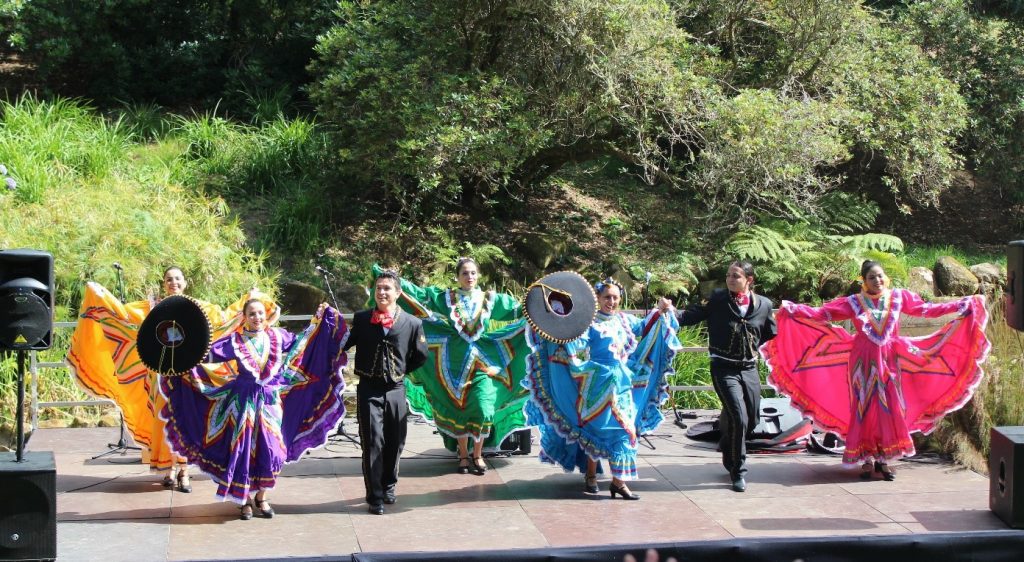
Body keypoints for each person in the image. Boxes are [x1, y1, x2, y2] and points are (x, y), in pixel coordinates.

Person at [761, 260, 990, 480]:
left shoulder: (899, 298)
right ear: (864, 281)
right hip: (862, 362)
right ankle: (866, 458)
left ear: (885, 278)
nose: (877, 280)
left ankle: (884, 459)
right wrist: (793, 310)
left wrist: (961, 304)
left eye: (880, 276)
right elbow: (823, 314)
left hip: (891, 361)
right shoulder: (853, 302)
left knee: (889, 408)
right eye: (872, 277)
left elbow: (926, 310)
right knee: (864, 407)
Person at [66, 266, 260, 492]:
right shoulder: (152, 309)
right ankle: (168, 469)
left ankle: (184, 470)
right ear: (164, 283)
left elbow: (224, 319)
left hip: (189, 375)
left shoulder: (198, 308)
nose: (173, 282)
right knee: (163, 420)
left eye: (178, 278)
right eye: (169, 279)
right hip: (161, 375)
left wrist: (250, 298)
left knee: (185, 419)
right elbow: (124, 317)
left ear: (185, 283)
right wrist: (100, 295)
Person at [160, 298, 349, 519]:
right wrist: (179, 347)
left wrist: (318, 321)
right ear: (245, 317)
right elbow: (206, 355)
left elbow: (303, 343)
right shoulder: (235, 341)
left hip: (270, 402)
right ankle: (245, 500)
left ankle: (262, 496)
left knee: (272, 450)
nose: (257, 318)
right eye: (252, 314)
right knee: (244, 452)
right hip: (242, 403)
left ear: (266, 315)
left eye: (260, 313)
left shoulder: (279, 337)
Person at [525, 278, 680, 499]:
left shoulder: (625, 320)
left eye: (616, 297)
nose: (612, 301)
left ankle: (618, 482)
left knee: (627, 431)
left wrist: (661, 310)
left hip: (622, 384)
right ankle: (591, 476)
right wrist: (556, 335)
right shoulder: (588, 324)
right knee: (596, 431)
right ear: (597, 298)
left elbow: (646, 326)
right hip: (597, 384)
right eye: (607, 297)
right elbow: (574, 344)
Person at [374, 259, 528, 475]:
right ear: (458, 276)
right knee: (459, 408)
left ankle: (478, 454)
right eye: (465, 273)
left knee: (484, 407)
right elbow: (419, 296)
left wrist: (541, 304)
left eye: (473, 273)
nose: (470, 277)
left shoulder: (491, 300)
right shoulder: (446, 298)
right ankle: (464, 455)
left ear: (479, 275)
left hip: (482, 360)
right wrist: (393, 278)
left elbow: (519, 309)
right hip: (452, 361)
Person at [658, 261, 776, 493]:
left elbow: (769, 333)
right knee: (739, 417)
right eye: (728, 275)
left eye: (736, 276)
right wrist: (669, 310)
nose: (730, 279)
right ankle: (737, 470)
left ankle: (726, 440)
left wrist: (750, 348)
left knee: (751, 418)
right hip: (723, 368)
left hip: (749, 368)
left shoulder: (764, 304)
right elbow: (688, 316)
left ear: (749, 280)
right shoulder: (718, 299)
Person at [344, 269, 429, 515]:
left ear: (398, 293)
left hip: (395, 389)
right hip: (369, 388)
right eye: (378, 288)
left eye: (387, 288)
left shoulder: (413, 323)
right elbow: (344, 344)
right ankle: (375, 496)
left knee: (396, 440)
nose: (382, 292)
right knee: (372, 442)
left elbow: (420, 355)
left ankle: (389, 485)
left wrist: (400, 371)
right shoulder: (361, 319)